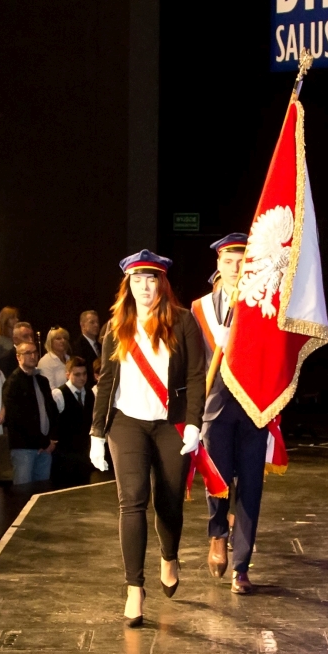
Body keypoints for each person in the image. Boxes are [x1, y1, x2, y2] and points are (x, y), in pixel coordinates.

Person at [89, 250, 206, 625]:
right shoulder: (116, 326)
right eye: (137, 280)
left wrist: (194, 423)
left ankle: (169, 556)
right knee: (132, 502)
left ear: (162, 284)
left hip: (170, 424)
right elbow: (107, 382)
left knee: (169, 502)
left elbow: (196, 375)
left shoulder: (183, 321)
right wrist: (96, 433)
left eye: (151, 279)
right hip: (127, 424)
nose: (144, 287)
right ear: (128, 286)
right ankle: (134, 588)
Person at [193, 233, 274, 590]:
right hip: (215, 408)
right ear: (219, 264)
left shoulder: (264, 305)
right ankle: (217, 534)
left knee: (251, 486)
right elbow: (195, 363)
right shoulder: (200, 308)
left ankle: (241, 566)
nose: (235, 268)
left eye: (242, 262)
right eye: (228, 262)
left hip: (254, 407)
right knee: (218, 478)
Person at [2, 337, 56, 487]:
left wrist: (52, 439)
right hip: (24, 447)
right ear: (18, 357)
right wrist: (41, 441)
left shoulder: (42, 381)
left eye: (35, 352)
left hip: (45, 446)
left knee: (43, 491)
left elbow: (51, 411)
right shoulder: (13, 383)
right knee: (23, 491)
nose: (32, 356)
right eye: (27, 353)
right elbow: (16, 418)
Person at [49, 354, 96, 488]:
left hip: (84, 451)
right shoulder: (59, 394)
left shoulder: (89, 393)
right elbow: (52, 421)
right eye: (77, 374)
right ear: (68, 375)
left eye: (84, 374)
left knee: (84, 487)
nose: (82, 378)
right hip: (64, 453)